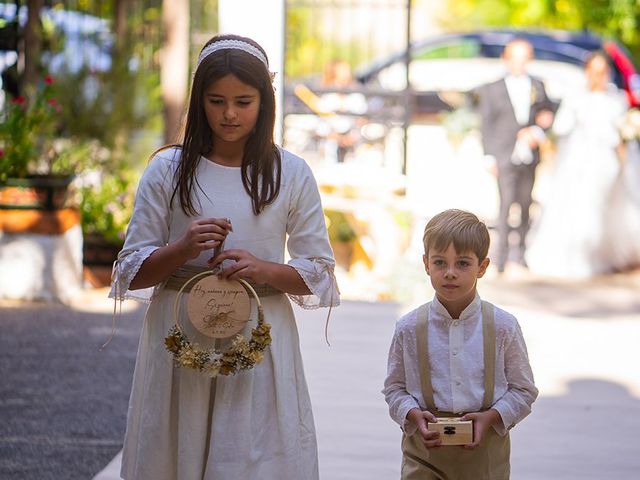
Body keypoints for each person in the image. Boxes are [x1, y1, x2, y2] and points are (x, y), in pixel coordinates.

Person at [109, 34, 340, 479]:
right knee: (174, 449)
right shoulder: (168, 170)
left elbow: (319, 273)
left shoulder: (289, 173)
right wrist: (181, 249)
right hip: (180, 337)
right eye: (216, 101)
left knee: (252, 456)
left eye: (243, 101)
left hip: (259, 339)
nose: (229, 114)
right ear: (199, 101)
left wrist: (264, 270)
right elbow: (130, 272)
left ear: (265, 101)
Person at [383, 209, 538, 479]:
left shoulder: (504, 326)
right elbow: (394, 388)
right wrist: (412, 414)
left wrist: (491, 417)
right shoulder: (408, 328)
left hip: (485, 457)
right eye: (440, 262)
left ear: (482, 267)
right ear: (426, 264)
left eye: (463, 263)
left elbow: (524, 391)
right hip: (424, 453)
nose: (450, 273)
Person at [525, 52, 640, 278]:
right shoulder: (575, 97)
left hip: (607, 163)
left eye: (602, 71)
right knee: (578, 205)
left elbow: (621, 133)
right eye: (593, 71)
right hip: (579, 163)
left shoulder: (615, 99)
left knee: (606, 207)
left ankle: (605, 253)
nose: (598, 76)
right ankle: (582, 256)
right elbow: (560, 128)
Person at [476, 38, 555, 273]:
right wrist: (489, 156)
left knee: (525, 202)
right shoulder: (492, 88)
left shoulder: (538, 85)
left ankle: (520, 253)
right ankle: (499, 257)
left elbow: (547, 113)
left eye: (524, 58)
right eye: (515, 58)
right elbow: (486, 123)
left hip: (529, 153)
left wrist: (538, 131)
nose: (520, 63)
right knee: (505, 203)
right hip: (503, 152)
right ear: (506, 59)